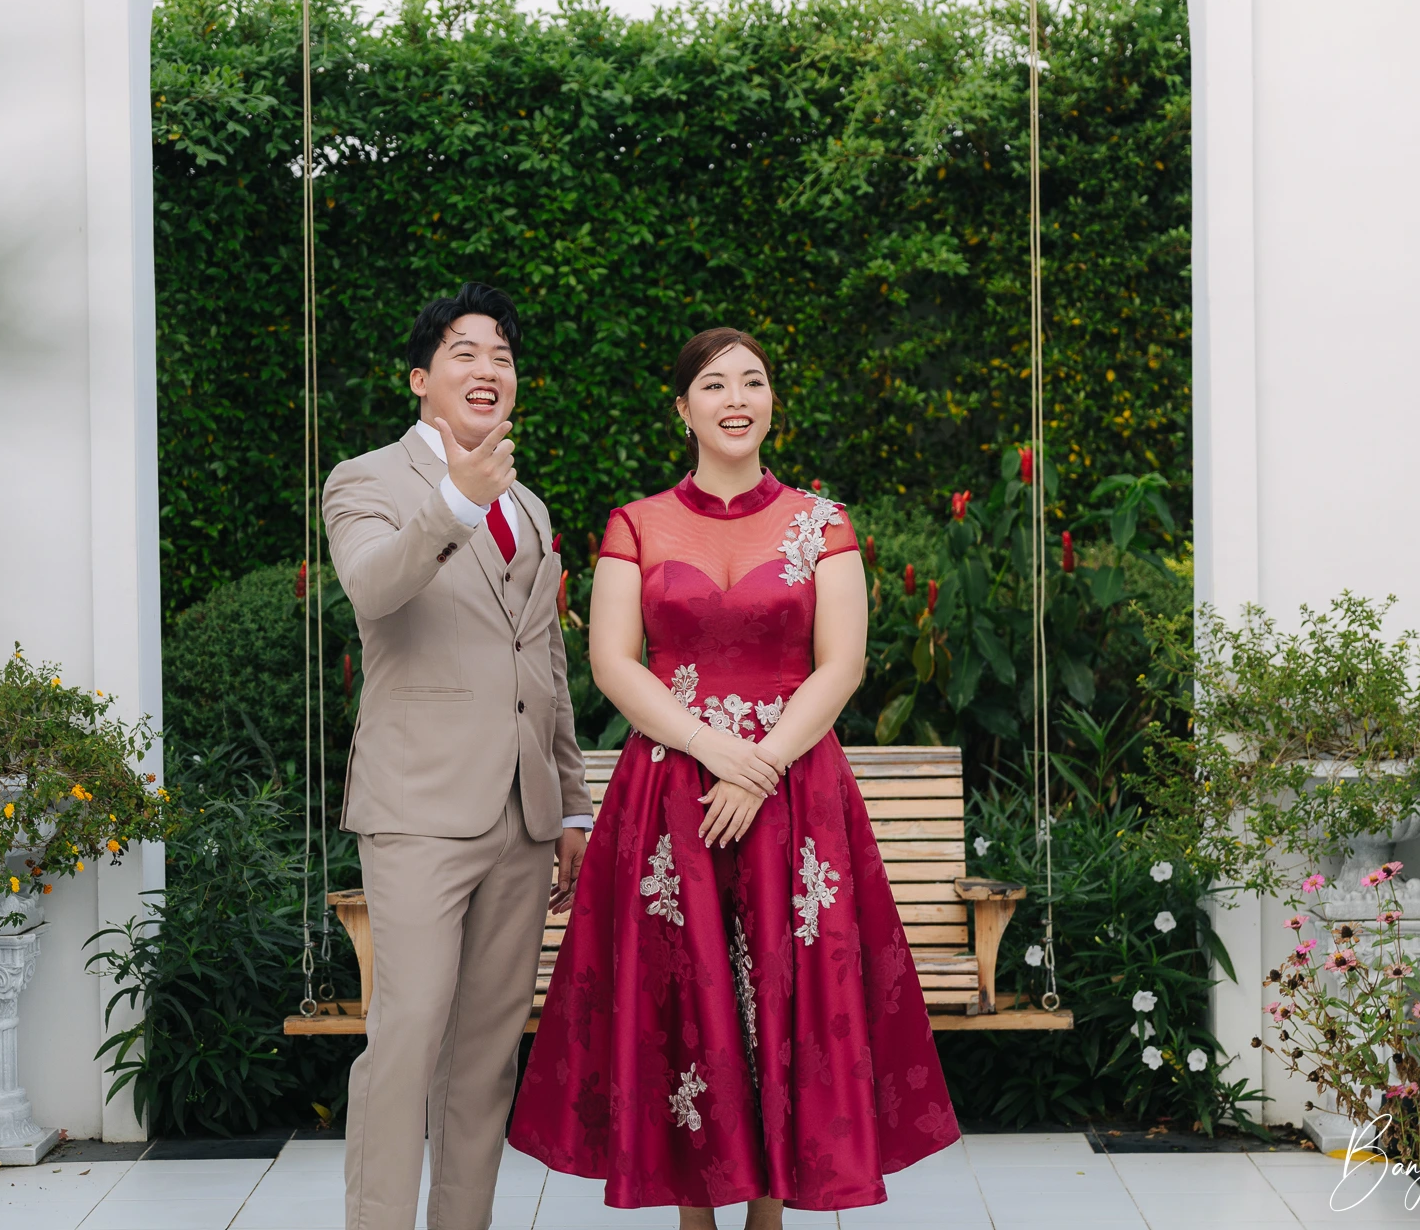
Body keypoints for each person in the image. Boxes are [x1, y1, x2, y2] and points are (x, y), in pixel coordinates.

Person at [507, 327, 960, 1226]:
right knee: (685, 999)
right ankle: (694, 1213)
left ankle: (769, 1216)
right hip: (671, 798)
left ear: (771, 403)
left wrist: (761, 766)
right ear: (683, 409)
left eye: (753, 382)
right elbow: (612, 662)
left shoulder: (823, 523)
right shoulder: (635, 524)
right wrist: (712, 749)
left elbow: (841, 665)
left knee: (788, 1000)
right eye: (715, 385)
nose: (737, 399)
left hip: (794, 795)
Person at [322, 282, 592, 1230]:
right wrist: (452, 503)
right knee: (405, 1040)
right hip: (417, 812)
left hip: (522, 821)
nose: (488, 369)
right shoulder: (366, 480)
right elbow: (371, 586)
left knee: (484, 1060)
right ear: (420, 379)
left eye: (502, 357)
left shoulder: (531, 506)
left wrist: (570, 804)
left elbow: (544, 663)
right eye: (465, 353)